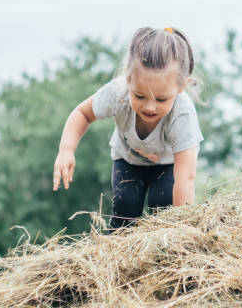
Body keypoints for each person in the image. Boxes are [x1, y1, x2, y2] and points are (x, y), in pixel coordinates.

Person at [52, 27, 203, 229]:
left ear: (182, 86)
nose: (150, 106)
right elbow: (82, 113)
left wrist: (181, 230)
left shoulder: (182, 113)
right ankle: (113, 254)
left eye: (161, 99)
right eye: (139, 96)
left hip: (169, 165)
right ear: (128, 78)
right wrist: (66, 150)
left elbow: (186, 177)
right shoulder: (117, 92)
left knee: (164, 206)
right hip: (128, 160)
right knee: (126, 207)